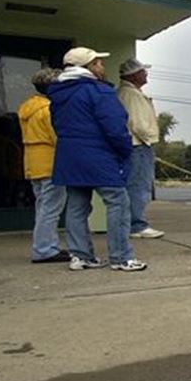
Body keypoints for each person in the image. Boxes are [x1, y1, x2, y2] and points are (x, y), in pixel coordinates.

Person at [47, 47, 146, 272]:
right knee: (118, 202)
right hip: (99, 156)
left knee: (77, 206)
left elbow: (57, 126)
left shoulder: (58, 94)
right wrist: (124, 152)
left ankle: (81, 256)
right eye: (98, 63)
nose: (102, 67)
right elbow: (115, 127)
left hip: (69, 156)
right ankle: (121, 257)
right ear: (88, 67)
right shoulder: (99, 92)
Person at [17, 68, 70, 263]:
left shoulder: (28, 108)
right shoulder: (49, 109)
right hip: (50, 161)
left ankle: (45, 245)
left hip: (33, 161)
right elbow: (57, 137)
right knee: (51, 209)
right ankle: (45, 249)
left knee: (43, 206)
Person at [116, 57, 165, 239]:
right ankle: (136, 225)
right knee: (139, 185)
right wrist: (148, 139)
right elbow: (137, 123)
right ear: (134, 75)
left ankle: (133, 223)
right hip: (138, 145)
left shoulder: (128, 93)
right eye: (143, 71)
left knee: (136, 185)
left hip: (136, 144)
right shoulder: (131, 95)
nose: (146, 74)